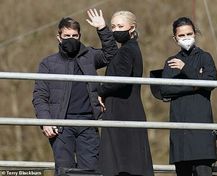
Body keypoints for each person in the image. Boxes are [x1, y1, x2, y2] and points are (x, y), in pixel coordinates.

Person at [32, 9, 117, 176]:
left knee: (91, 171)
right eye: (66, 36)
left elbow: (111, 55)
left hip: (89, 124)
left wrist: (102, 29)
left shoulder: (90, 56)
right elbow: (39, 96)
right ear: (59, 38)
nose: (71, 39)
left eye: (74, 36)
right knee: (64, 171)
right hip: (61, 126)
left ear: (79, 37)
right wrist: (45, 121)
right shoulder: (48, 64)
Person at [97, 11, 154, 176]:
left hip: (122, 111)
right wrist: (103, 29)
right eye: (113, 26)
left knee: (122, 164)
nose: (116, 30)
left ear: (132, 28)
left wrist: (100, 90)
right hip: (127, 109)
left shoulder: (127, 50)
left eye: (120, 26)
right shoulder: (132, 48)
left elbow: (120, 78)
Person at [160, 17, 217, 176]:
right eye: (181, 35)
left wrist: (185, 69)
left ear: (195, 33)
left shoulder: (205, 57)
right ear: (175, 38)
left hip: (201, 131)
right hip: (180, 132)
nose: (186, 38)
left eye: (189, 33)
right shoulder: (171, 61)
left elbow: (210, 83)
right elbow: (164, 90)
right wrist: (196, 84)